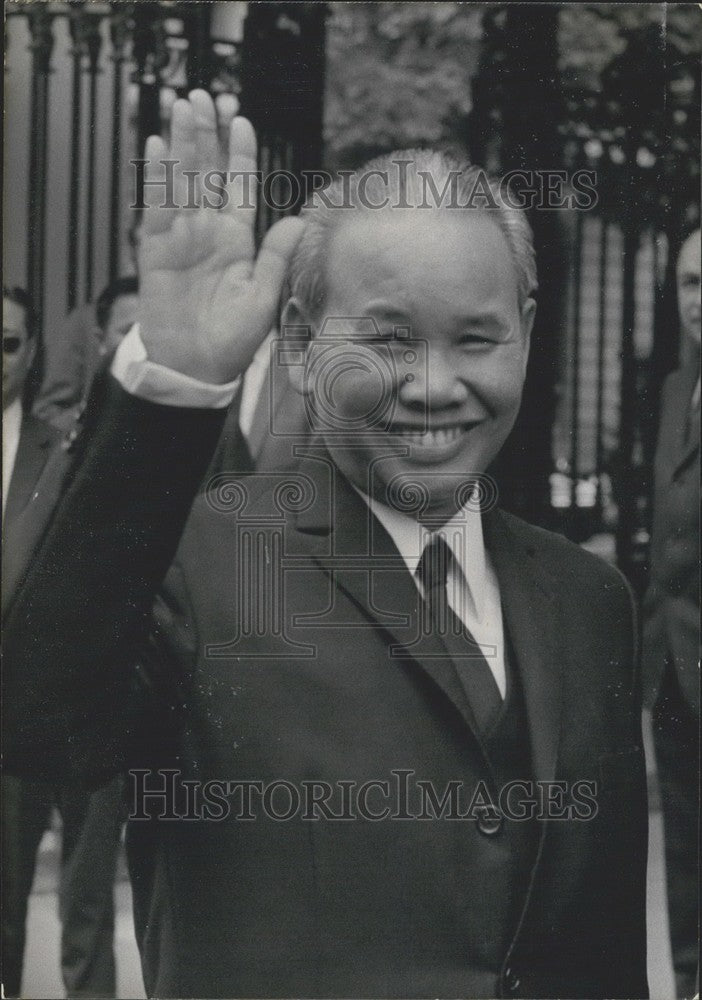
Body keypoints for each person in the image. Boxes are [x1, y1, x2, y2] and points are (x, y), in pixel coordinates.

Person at [4, 92, 649, 999]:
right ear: (303, 346)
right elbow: (37, 723)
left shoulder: (590, 601)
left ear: (529, 334)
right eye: (387, 339)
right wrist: (174, 386)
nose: (435, 386)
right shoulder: (196, 567)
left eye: (476, 339)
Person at [2, 287, 124, 999]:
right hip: (4, 702)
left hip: (76, 696)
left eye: (10, 342)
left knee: (85, 904)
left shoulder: (64, 443)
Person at [642, 227, 700, 999]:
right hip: (674, 662)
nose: (700, 300)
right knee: (685, 841)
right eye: (690, 282)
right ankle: (688, 980)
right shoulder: (672, 391)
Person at [33, 219, 142, 428]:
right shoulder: (85, 321)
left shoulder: (193, 324)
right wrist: (97, 418)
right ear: (133, 247)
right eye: (145, 244)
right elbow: (46, 415)